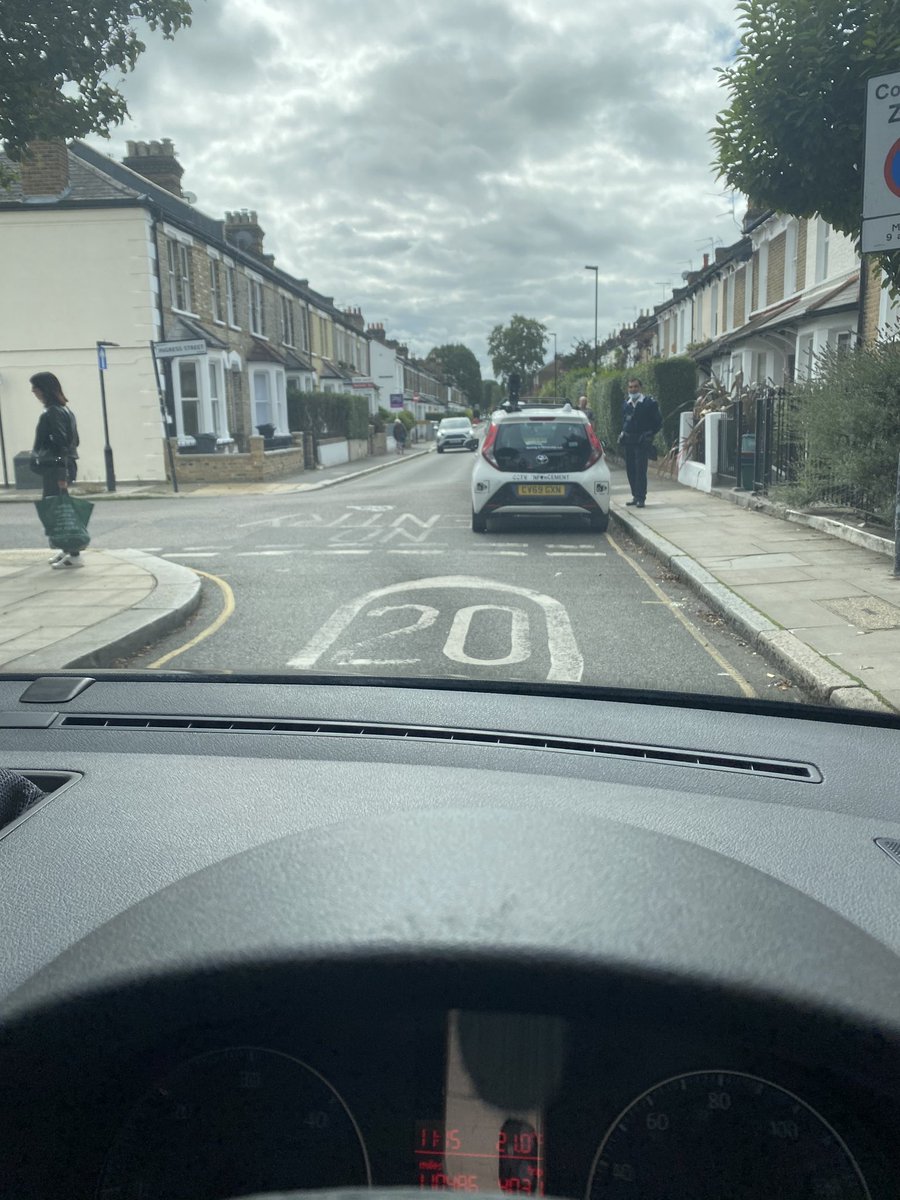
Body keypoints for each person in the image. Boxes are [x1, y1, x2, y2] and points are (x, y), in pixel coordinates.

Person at [30, 371, 82, 568]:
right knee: (59, 509)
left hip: (56, 468)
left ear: (45, 389)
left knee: (60, 511)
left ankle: (75, 554)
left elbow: (61, 443)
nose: (33, 391)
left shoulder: (53, 412)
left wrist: (61, 472)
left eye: (35, 386)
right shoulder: (65, 410)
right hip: (62, 466)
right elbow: (75, 441)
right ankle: (67, 550)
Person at [618, 377, 662, 508]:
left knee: (640, 470)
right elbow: (624, 421)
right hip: (629, 441)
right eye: (631, 387)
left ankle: (641, 498)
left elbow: (658, 422)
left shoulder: (649, 403)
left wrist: (650, 434)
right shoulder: (626, 404)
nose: (633, 389)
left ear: (640, 387)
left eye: (635, 386)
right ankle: (635, 496)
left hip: (642, 442)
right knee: (630, 469)